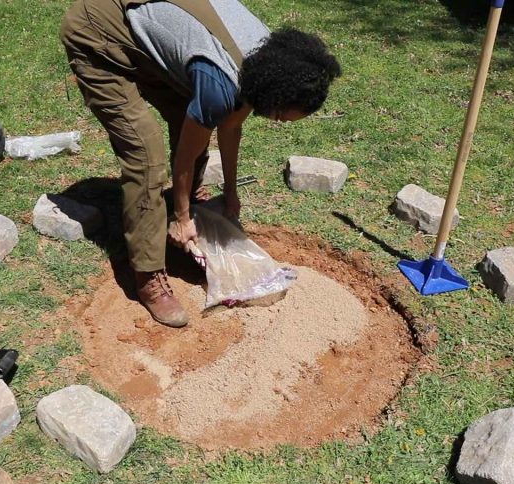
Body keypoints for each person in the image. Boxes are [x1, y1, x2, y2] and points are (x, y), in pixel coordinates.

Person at [60, 0, 341, 327]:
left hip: (148, 36)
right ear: (275, 94)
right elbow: (186, 154)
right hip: (97, 33)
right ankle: (149, 274)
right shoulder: (222, 82)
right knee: (145, 155)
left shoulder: (268, 62)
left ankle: (188, 213)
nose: (278, 122)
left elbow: (230, 125)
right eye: (280, 116)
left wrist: (232, 194)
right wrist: (179, 216)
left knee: (191, 117)